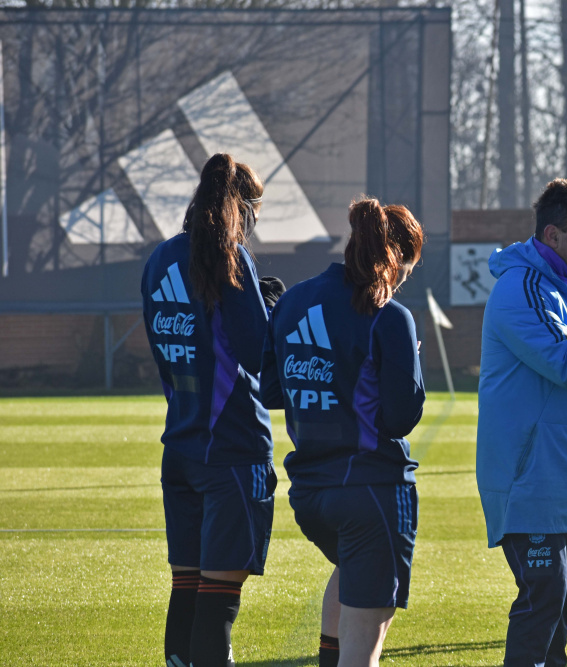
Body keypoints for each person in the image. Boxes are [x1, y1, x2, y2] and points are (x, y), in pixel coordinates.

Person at [260, 198, 425, 667]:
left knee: (350, 577)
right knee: (365, 644)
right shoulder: (389, 314)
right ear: (398, 258)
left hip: (311, 493)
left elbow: (273, 389)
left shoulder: (294, 300)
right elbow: (399, 418)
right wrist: (411, 363)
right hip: (371, 490)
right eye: (409, 268)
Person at [141, 153, 281, 667]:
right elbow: (256, 354)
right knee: (218, 599)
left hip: (179, 444)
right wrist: (274, 312)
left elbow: (171, 350)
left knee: (187, 587)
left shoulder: (159, 260)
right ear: (240, 208)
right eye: (255, 214)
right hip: (231, 449)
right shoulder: (230, 258)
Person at [476, 178, 567, 666]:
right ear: (552, 236)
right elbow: (566, 364)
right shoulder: (524, 286)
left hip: (562, 473)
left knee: (559, 596)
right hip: (528, 474)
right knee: (544, 597)